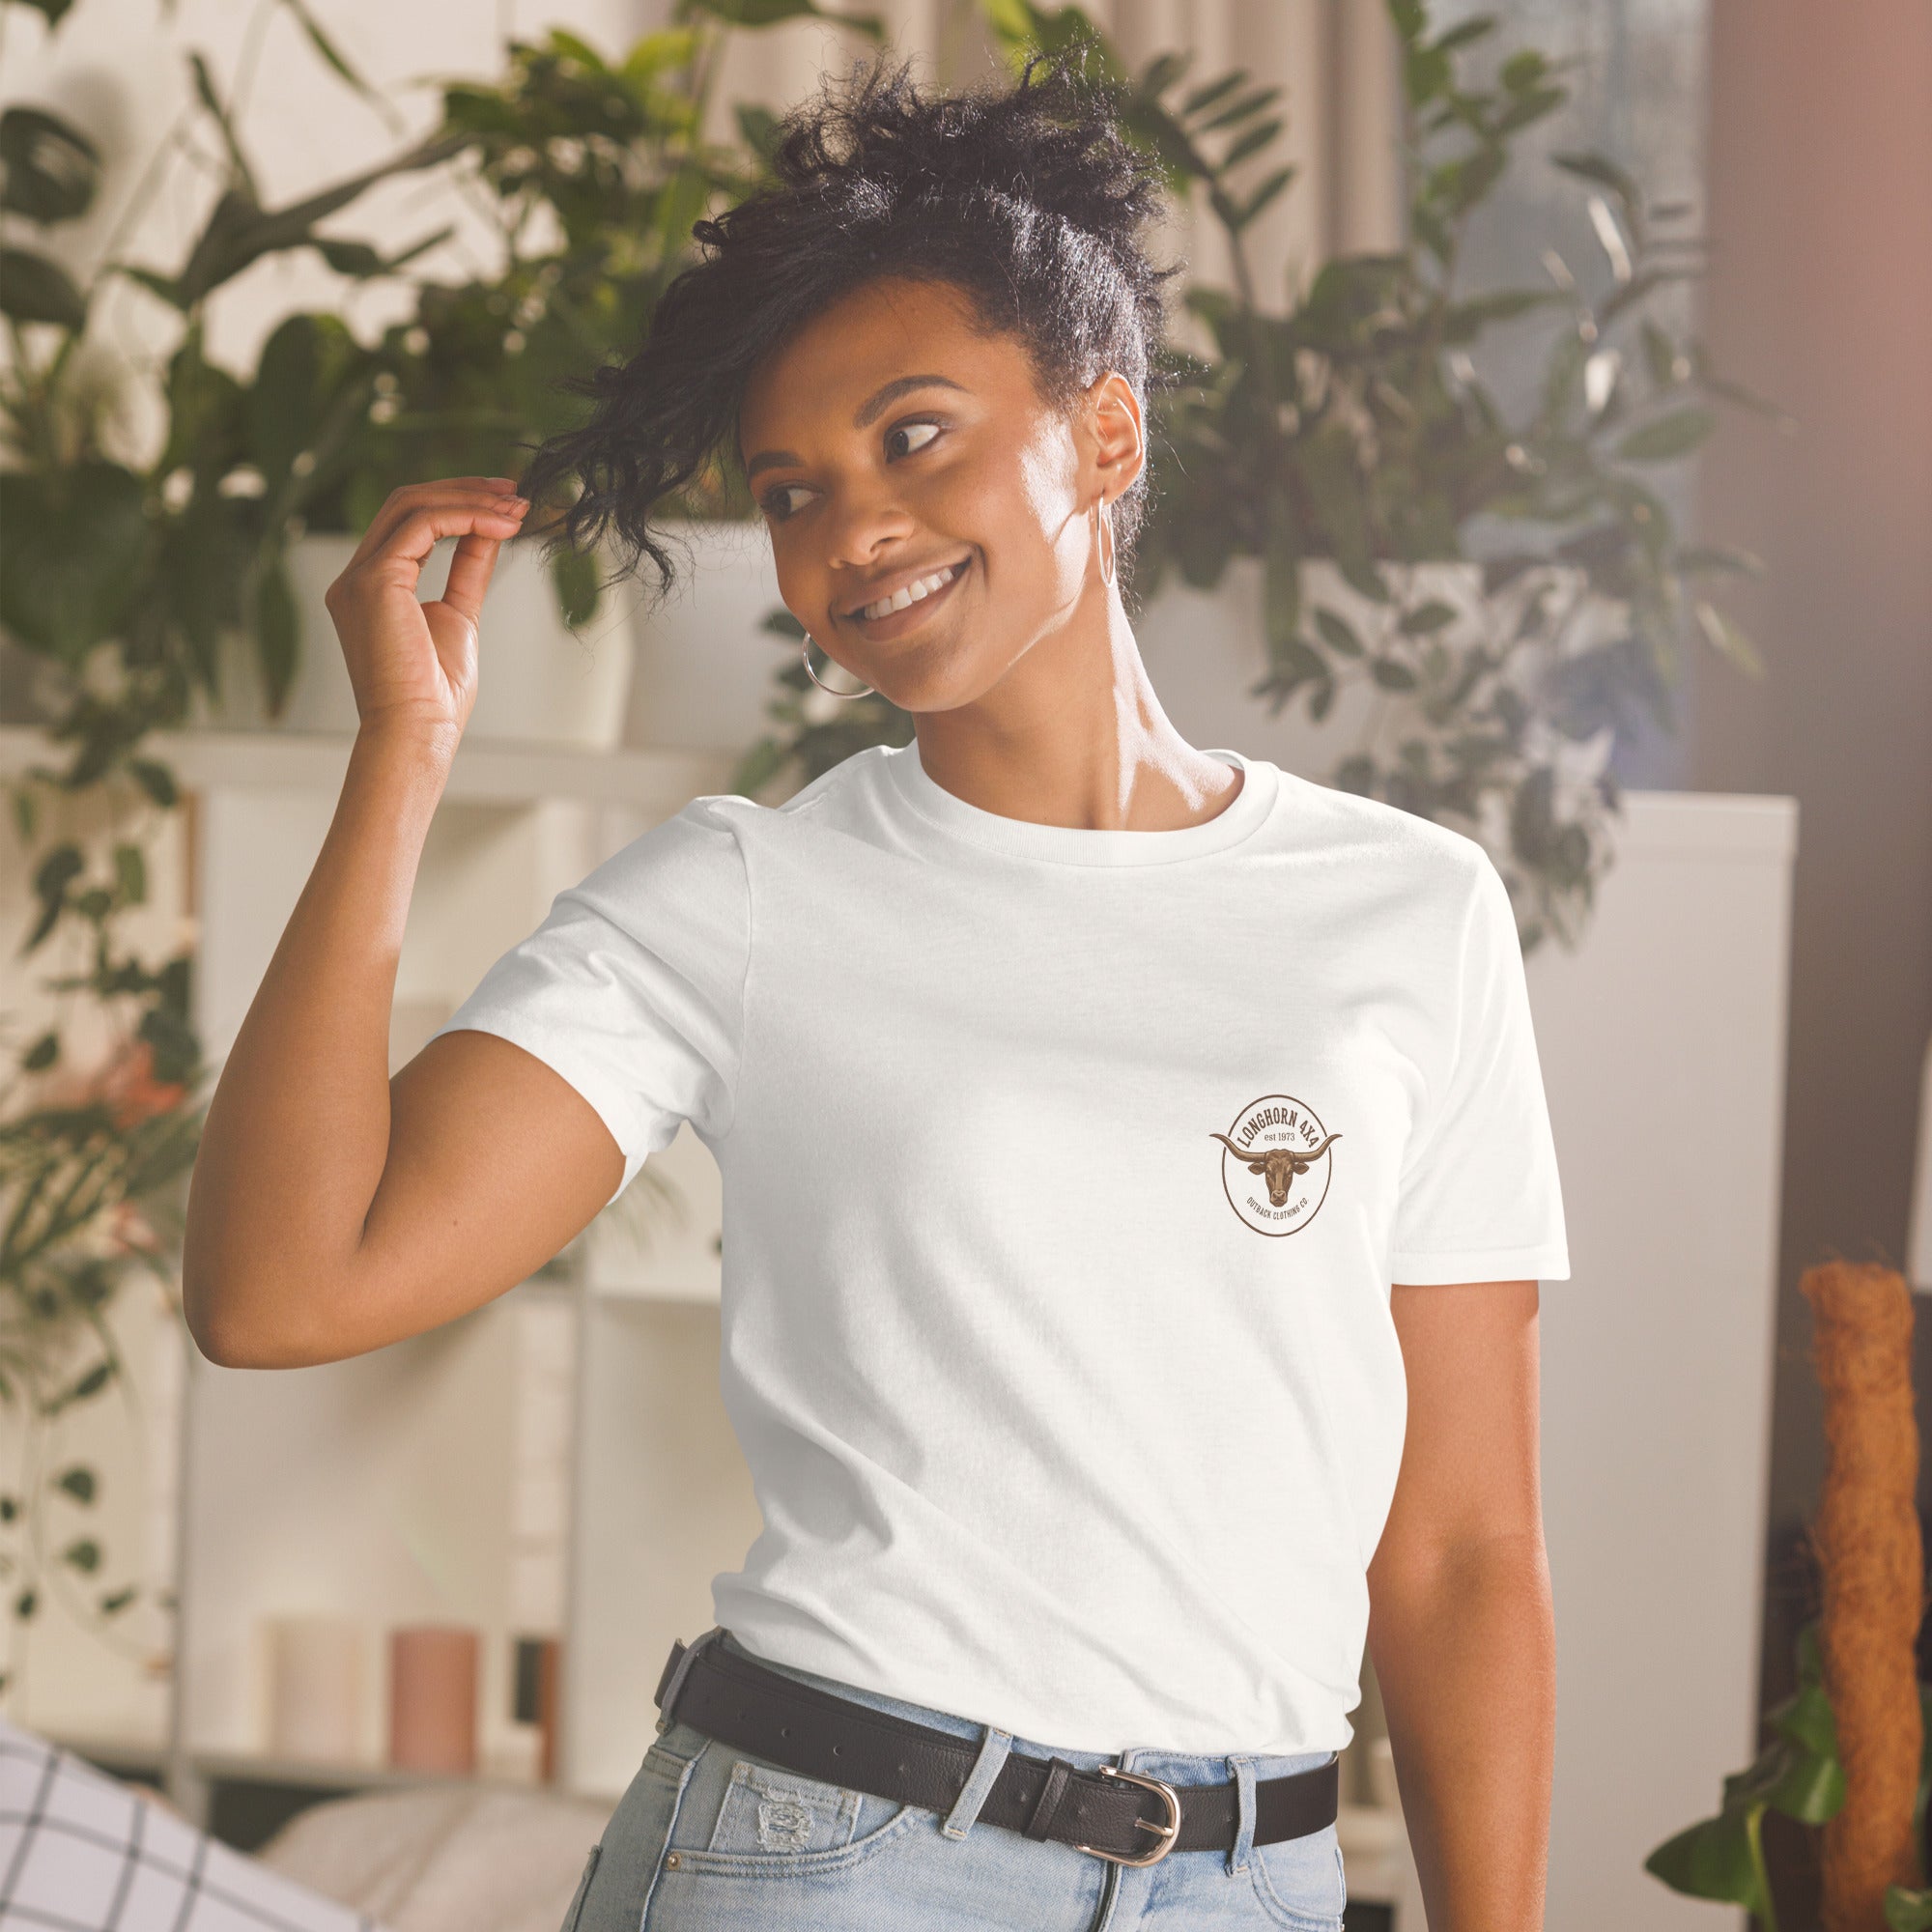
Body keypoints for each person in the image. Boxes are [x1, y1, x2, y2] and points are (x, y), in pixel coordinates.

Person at [181, 50, 1569, 1932]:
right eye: (790, 491)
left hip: (1259, 1881)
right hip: (830, 1857)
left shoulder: (1407, 911)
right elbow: (282, 1287)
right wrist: (404, 759)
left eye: (912, 436)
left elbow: (1466, 1545)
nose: (850, 534)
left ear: (1103, 433)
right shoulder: (742, 898)